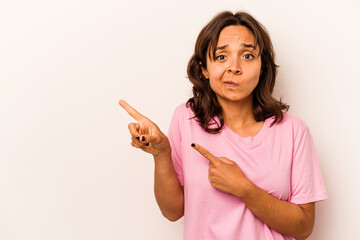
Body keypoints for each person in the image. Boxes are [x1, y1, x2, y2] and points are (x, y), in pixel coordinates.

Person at [119, 11, 327, 240]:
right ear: (204, 69)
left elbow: (304, 227)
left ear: (263, 67)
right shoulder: (186, 119)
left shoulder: (293, 131)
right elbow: (172, 211)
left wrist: (243, 188)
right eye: (221, 57)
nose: (234, 67)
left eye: (247, 56)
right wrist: (161, 154)